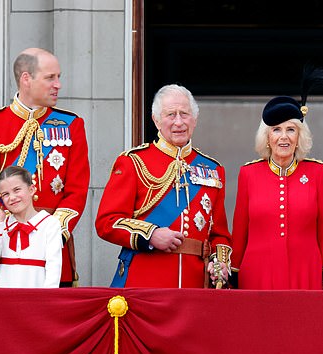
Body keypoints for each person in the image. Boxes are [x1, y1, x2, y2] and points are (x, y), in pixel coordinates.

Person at [0, 47, 90, 288]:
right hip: (4, 247)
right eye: (50, 77)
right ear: (26, 79)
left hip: (52, 252)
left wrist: (50, 233)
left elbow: (77, 190)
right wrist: (8, 227)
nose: (58, 85)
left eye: (59, 77)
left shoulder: (71, 125)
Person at [95, 84, 232, 288]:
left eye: (184, 114)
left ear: (194, 120)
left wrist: (220, 262)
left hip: (194, 284)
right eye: (170, 115)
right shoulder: (133, 162)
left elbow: (219, 235)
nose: (179, 122)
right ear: (156, 120)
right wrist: (151, 235)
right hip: (145, 282)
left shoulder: (213, 169)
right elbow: (107, 222)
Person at [230, 92, 323, 290]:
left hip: (306, 274)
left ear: (299, 136)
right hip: (257, 276)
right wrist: (233, 277)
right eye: (276, 130)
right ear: (266, 137)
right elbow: (239, 234)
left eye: (291, 130)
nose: (283, 137)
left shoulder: (318, 172)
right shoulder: (248, 174)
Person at [0, 166, 62, 288]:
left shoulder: (49, 223)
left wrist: (48, 299)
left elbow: (54, 266)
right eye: (5, 194)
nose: (12, 197)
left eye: (17, 190)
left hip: (36, 292)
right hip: (3, 292)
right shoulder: (1, 224)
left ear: (31, 189)